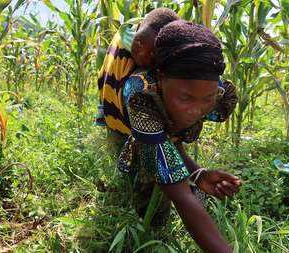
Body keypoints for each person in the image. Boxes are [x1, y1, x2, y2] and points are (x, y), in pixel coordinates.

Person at [117, 20, 240, 253]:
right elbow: (179, 193)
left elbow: (171, 138)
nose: (196, 110)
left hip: (161, 110)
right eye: (186, 98)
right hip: (123, 119)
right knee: (145, 175)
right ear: (161, 79)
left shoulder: (211, 88)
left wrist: (198, 173)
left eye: (207, 99)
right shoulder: (139, 93)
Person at [95, 8, 180, 136]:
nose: (143, 54)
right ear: (139, 27)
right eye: (140, 43)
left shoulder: (163, 50)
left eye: (153, 53)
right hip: (113, 104)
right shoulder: (125, 38)